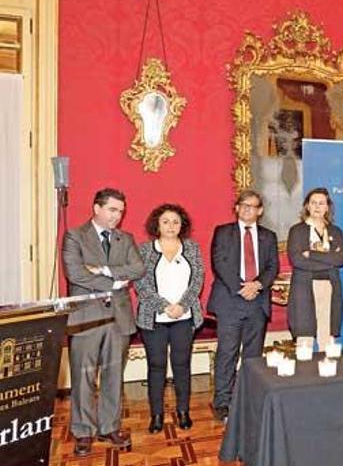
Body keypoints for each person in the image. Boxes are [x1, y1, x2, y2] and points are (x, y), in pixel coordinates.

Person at [62, 188, 145, 456]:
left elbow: (138, 268)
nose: (117, 216)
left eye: (121, 211)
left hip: (118, 318)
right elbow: (76, 274)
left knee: (113, 376)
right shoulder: (75, 236)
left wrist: (103, 270)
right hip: (85, 316)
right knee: (83, 376)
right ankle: (82, 432)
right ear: (96, 208)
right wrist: (115, 282)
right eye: (112, 210)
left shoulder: (126, 238)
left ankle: (110, 427)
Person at [207, 190, 279, 421]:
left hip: (257, 303)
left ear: (260, 211)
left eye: (253, 206)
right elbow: (219, 263)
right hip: (230, 300)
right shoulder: (223, 232)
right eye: (243, 205)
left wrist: (256, 285)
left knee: (253, 356)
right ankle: (223, 402)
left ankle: (249, 398)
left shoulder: (269, 236)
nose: (248, 209)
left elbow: (272, 267)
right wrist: (242, 287)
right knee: (227, 353)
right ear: (237, 208)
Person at [133, 204, 204, 433]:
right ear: (157, 224)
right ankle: (156, 415)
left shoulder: (191, 247)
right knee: (157, 366)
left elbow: (198, 280)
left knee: (182, 365)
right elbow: (140, 284)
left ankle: (183, 411)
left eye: (175, 221)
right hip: (154, 319)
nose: (171, 226)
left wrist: (182, 305)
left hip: (185, 317)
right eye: (166, 221)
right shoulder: (144, 250)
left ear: (182, 225)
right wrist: (164, 306)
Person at [286, 188, 343, 350]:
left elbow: (341, 259)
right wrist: (330, 259)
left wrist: (311, 254)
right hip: (305, 286)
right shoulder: (297, 231)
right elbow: (297, 260)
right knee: (305, 337)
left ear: (327, 207)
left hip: (330, 285)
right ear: (307, 206)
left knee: (327, 336)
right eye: (313, 203)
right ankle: (304, 375)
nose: (317, 206)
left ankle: (327, 373)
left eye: (321, 203)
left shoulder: (336, 231)